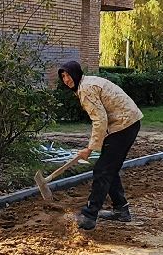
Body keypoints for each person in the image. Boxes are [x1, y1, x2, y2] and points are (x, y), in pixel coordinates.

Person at [59, 60, 143, 231]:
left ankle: (89, 216)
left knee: (102, 170)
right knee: (109, 168)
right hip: (126, 123)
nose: (66, 80)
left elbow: (100, 119)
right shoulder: (86, 84)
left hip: (123, 125)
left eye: (68, 75)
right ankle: (121, 210)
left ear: (76, 73)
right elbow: (103, 117)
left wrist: (90, 149)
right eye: (63, 76)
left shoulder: (86, 89)